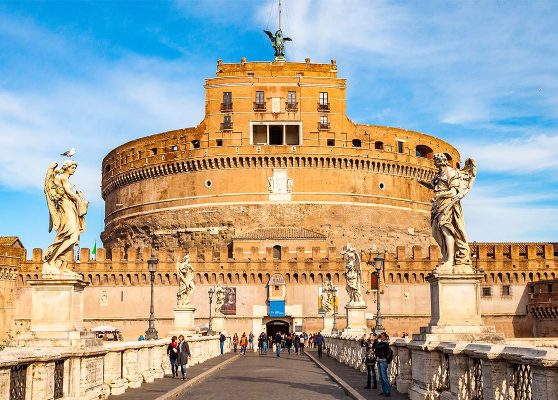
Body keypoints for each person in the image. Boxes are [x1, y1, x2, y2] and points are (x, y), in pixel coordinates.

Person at [375, 332, 391, 396]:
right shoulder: (380, 343)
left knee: (384, 377)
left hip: (383, 361)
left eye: (381, 336)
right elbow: (375, 347)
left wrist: (378, 341)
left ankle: (387, 391)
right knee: (380, 378)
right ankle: (384, 391)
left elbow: (379, 347)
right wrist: (377, 340)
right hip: (379, 361)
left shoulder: (386, 343)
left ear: (384, 336)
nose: (380, 337)